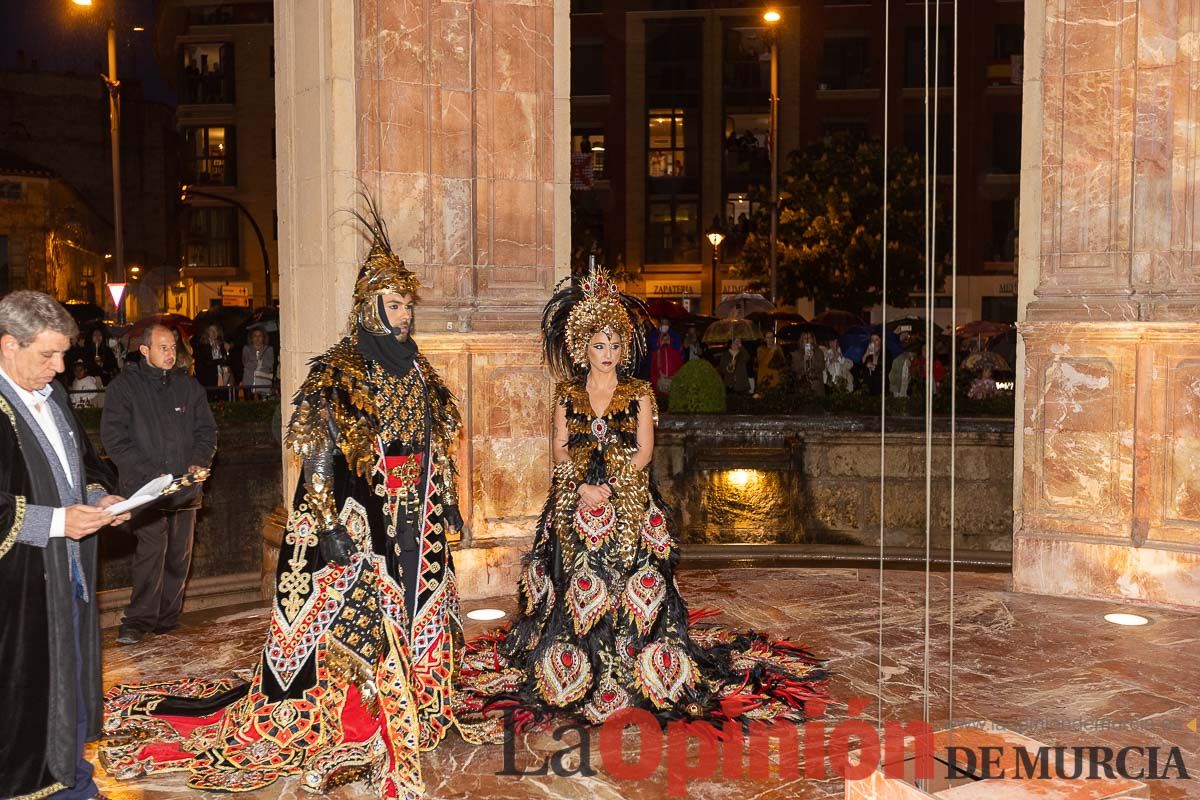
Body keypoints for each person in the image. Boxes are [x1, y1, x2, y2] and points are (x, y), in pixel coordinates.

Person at [101, 198, 465, 798]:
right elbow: (320, 451)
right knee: (359, 622)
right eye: (394, 305)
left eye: (407, 306)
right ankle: (361, 714)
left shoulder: (418, 369)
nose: (403, 317)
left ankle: (420, 703)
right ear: (370, 307)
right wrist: (326, 523)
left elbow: (435, 441)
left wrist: (444, 498)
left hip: (417, 513)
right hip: (360, 515)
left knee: (420, 605)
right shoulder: (340, 369)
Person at [452, 268, 826, 743]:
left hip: (627, 499)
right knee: (572, 571)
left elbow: (645, 451)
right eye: (598, 346)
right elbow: (560, 448)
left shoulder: (640, 393)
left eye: (614, 346)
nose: (607, 355)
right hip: (576, 496)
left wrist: (613, 485)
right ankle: (573, 664)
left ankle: (637, 661)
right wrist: (582, 488)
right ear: (582, 348)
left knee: (636, 574)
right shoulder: (567, 394)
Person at [0, 290, 129, 800]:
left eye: (62, 354)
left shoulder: (52, 397)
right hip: (19, 588)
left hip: (69, 573)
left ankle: (70, 775)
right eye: (46, 355)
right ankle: (28, 785)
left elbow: (86, 465)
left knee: (70, 682)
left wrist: (102, 496)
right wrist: (56, 522)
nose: (59, 368)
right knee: (25, 693)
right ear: (8, 345)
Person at [102, 324, 217, 645]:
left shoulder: (188, 386)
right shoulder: (124, 388)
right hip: (145, 490)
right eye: (163, 347)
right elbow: (115, 439)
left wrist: (199, 461)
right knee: (150, 554)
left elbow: (207, 431)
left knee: (179, 557)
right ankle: (137, 620)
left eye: (172, 347)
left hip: (185, 489)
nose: (170, 353)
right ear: (145, 350)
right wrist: (152, 473)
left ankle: (168, 619)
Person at [193, 323, 231, 400]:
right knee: (211, 400)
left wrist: (227, 351)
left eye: (215, 330)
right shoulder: (203, 345)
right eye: (211, 330)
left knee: (222, 399)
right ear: (207, 332)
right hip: (208, 379)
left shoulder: (221, 345)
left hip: (222, 377)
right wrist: (221, 360)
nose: (213, 333)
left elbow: (227, 361)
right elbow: (207, 362)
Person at [648, 321, 682, 397]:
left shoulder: (674, 350)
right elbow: (653, 366)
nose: (665, 326)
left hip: (672, 380)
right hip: (659, 381)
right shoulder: (656, 350)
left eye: (667, 324)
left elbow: (678, 363)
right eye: (663, 324)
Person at [241, 327, 275, 397]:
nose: (257, 338)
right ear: (251, 338)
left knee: (262, 404)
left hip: (263, 380)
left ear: (263, 337)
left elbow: (270, 363)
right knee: (248, 404)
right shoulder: (246, 348)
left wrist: (254, 362)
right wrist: (261, 363)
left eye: (260, 336)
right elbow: (246, 363)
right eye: (255, 336)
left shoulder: (269, 349)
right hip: (248, 380)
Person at [792, 332, 826, 396]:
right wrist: (804, 361)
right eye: (805, 338)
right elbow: (795, 368)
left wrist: (813, 358)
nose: (807, 340)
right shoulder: (796, 353)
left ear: (813, 339)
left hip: (817, 388)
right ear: (802, 340)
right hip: (802, 387)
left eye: (809, 338)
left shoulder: (819, 352)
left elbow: (822, 367)